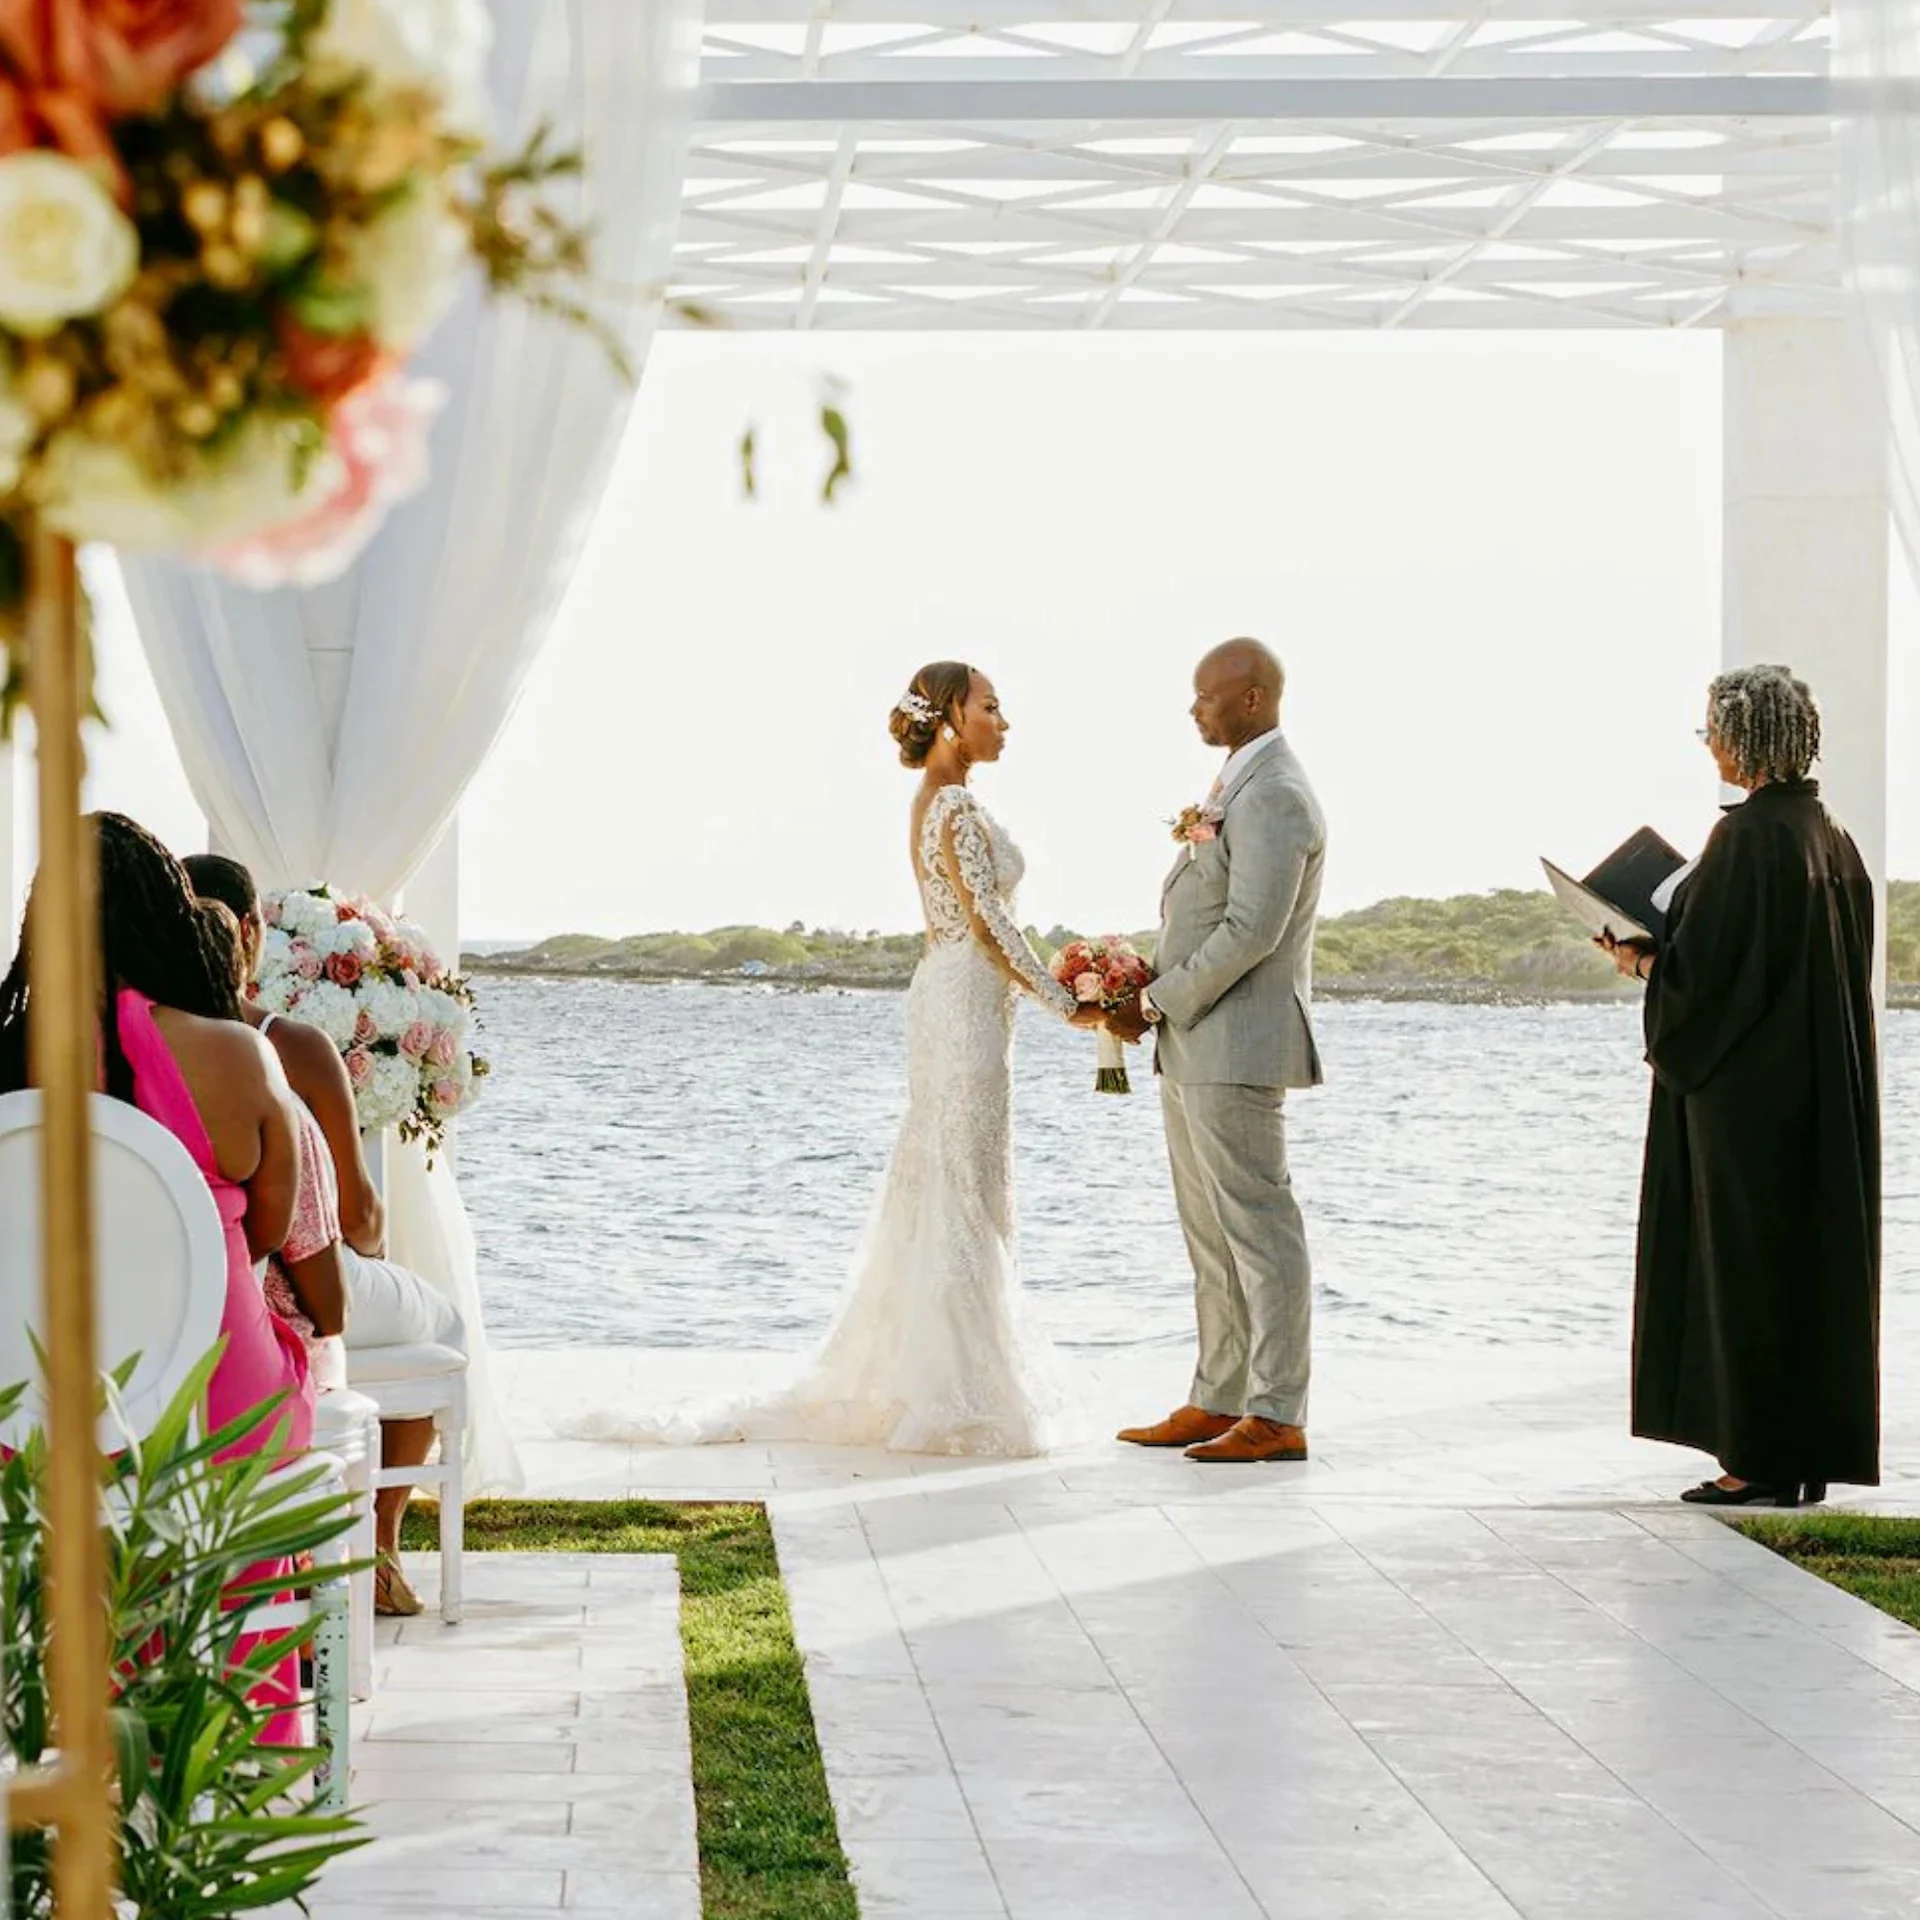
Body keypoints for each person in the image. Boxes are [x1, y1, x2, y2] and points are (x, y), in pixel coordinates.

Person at [557, 662, 1104, 1455]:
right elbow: (986, 920)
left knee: (963, 1180)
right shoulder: (950, 805)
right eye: (991, 707)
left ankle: (954, 1371)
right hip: (963, 1006)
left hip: (966, 1001)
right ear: (950, 719)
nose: (1005, 721)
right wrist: (1068, 1002)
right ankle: (957, 1388)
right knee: (960, 1181)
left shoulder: (945, 802)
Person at [0, 814, 313, 1741]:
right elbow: (266, 1231)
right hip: (209, 1414)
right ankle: (229, 1756)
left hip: (28, 1427)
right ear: (171, 918)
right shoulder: (235, 1053)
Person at [1600, 664, 1879, 1507]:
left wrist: (1642, 959)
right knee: (1804, 1272)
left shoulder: (1745, 839)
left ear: (1743, 737)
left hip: (1747, 1102)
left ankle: (1754, 1459)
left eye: (1712, 730)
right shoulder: (1828, 835)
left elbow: (1708, 983)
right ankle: (1797, 1456)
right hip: (1818, 1093)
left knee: (1748, 1269)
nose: (1709, 746)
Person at [184, 854, 469, 1614]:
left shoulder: (137, 1053)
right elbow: (357, 1222)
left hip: (187, 1292)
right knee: (440, 1317)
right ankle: (377, 1542)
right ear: (251, 933)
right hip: (289, 1291)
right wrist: (365, 1247)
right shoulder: (289, 1046)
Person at [1108, 639, 1326, 1464]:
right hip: (1195, 1043)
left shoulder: (1275, 794)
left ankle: (1277, 1412)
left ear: (1253, 697)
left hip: (1236, 1043)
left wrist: (1157, 998)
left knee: (1260, 1232)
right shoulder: (1237, 782)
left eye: (1206, 696)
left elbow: (1251, 931)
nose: (1194, 708)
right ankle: (1219, 1397)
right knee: (1210, 1234)